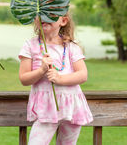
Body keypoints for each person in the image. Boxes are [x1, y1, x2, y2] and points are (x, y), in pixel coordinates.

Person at [18, 12, 93, 145]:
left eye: (51, 15)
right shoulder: (31, 45)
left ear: (63, 21)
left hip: (71, 106)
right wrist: (41, 70)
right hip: (46, 108)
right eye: (40, 14)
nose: (44, 18)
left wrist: (59, 79)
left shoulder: (71, 47)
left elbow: (82, 74)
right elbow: (24, 78)